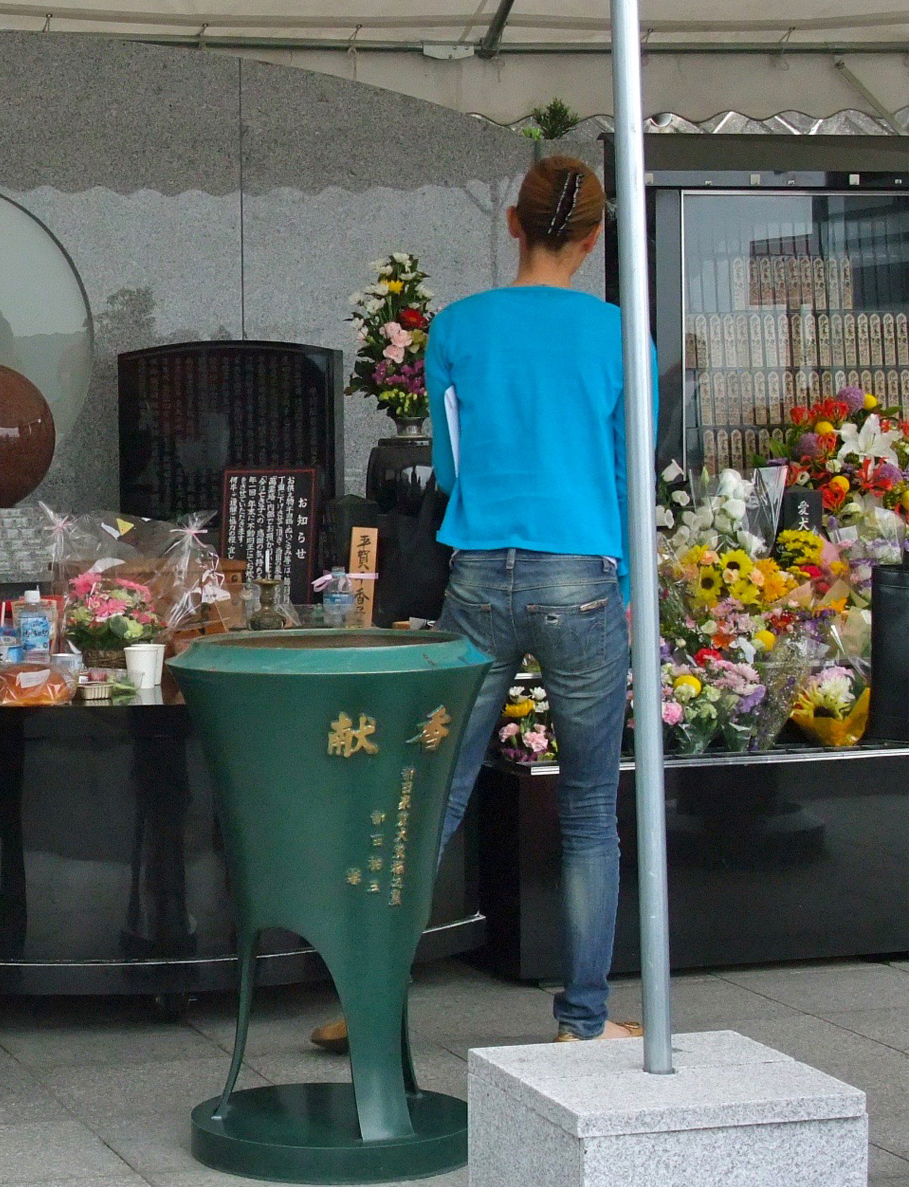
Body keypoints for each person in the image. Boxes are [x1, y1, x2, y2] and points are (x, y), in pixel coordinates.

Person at [312, 156, 646, 1052]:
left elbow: (449, 471)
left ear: (513, 224)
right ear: (595, 235)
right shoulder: (624, 336)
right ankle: (580, 1020)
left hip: (478, 577)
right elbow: (628, 480)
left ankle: (370, 996)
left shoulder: (457, 326)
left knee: (432, 797)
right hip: (582, 573)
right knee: (585, 812)